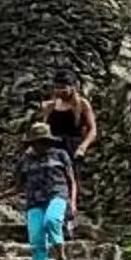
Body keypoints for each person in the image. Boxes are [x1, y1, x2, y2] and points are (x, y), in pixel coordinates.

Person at [44, 71, 99, 232]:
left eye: (64, 87)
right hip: (52, 146)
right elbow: (44, 128)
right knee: (50, 181)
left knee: (70, 181)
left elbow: (92, 129)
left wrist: (83, 147)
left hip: (72, 147)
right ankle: (51, 217)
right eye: (57, 87)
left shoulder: (82, 104)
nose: (60, 91)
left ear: (73, 87)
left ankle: (69, 216)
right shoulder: (50, 106)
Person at [20, 123, 73, 260]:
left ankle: (62, 259)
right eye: (36, 142)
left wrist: (73, 202)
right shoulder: (25, 160)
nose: (39, 145)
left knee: (52, 221)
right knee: (36, 237)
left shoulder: (60, 155)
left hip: (57, 194)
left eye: (42, 141)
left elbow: (71, 180)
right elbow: (18, 185)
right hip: (34, 201)